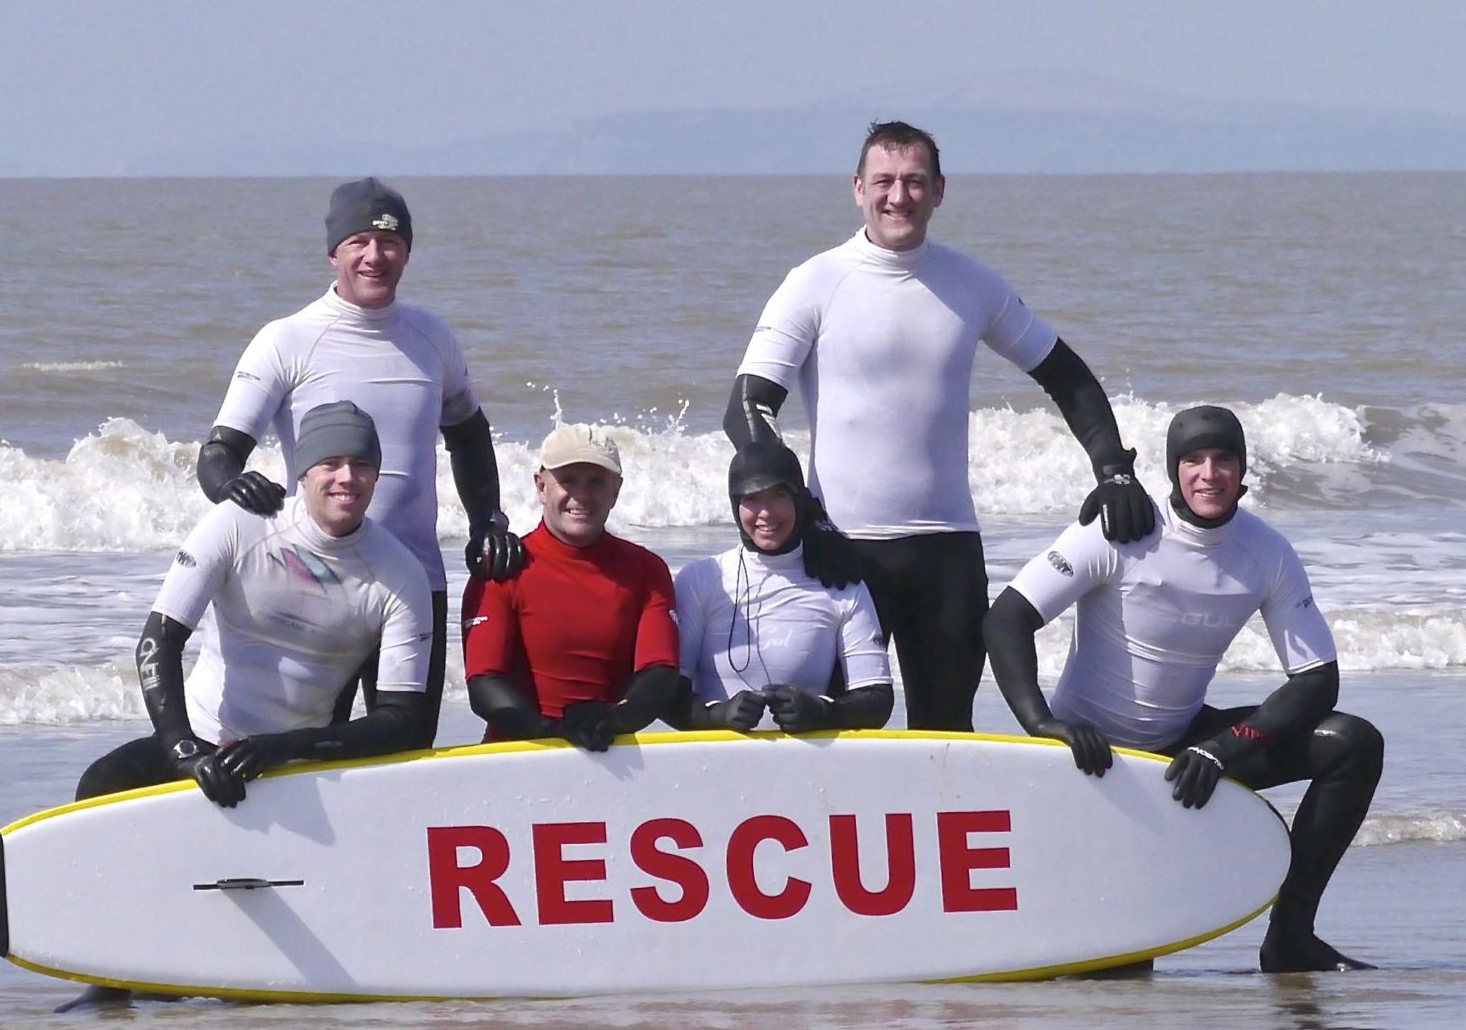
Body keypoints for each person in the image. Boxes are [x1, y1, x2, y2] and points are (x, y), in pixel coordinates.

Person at [722, 119, 1155, 732]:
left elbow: (1069, 377)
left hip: (947, 551)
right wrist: (803, 513)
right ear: (857, 188)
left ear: (939, 190)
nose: (899, 196)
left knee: (947, 728)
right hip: (842, 549)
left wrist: (1114, 471)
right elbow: (746, 407)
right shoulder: (815, 282)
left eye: (915, 182)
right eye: (884, 182)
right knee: (837, 730)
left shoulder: (971, 284)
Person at [983, 404, 1384, 973]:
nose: (1208, 474)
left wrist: (1224, 747)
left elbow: (1317, 678)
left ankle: (1291, 936)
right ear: (1174, 471)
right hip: (1093, 760)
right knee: (1119, 973)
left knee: (1352, 742)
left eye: (1224, 459)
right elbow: (1006, 618)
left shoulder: (1265, 551)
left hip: (1184, 751)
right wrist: (1042, 723)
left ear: (1243, 471)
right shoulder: (1121, 531)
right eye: (1193, 460)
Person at [195, 178, 522, 743]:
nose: (376, 256)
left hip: (413, 582)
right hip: (320, 585)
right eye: (360, 242)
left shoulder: (432, 338)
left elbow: (469, 437)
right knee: (310, 744)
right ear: (334, 252)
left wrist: (486, 521)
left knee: (407, 746)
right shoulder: (287, 340)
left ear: (408, 253)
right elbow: (219, 452)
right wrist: (233, 486)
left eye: (391, 243)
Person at [78, 402, 433, 804]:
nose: (347, 478)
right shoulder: (241, 524)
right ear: (304, 472)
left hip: (300, 763)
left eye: (362, 464)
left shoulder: (400, 573)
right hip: (201, 740)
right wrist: (183, 751)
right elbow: (156, 644)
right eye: (331, 463)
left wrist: (283, 747)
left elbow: (400, 720)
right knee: (102, 781)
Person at [461, 424, 683, 751]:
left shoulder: (647, 570)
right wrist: (552, 733)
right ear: (541, 486)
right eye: (567, 481)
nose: (581, 496)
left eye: (596, 482)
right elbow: (483, 684)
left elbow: (660, 673)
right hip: (519, 753)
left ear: (616, 490)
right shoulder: (502, 569)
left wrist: (615, 721)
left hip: (611, 751)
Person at [675, 437, 893, 734]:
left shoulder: (841, 584)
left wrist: (823, 711)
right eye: (751, 499)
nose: (765, 513)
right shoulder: (702, 580)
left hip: (807, 765)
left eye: (778, 495)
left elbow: (878, 699)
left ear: (798, 500)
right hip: (715, 763)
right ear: (735, 505)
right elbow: (667, 696)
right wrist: (717, 716)